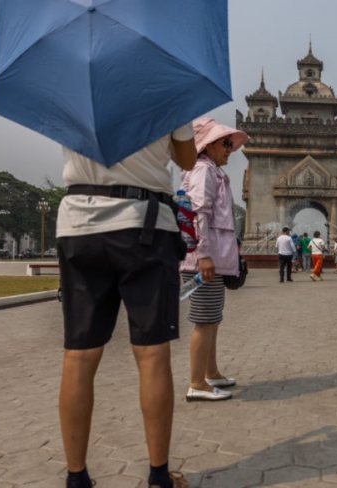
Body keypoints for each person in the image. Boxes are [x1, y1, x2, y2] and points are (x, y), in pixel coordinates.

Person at [56, 121, 196, 487]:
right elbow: (187, 159)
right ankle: (159, 476)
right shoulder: (167, 84)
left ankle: (76, 477)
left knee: (79, 353)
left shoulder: (72, 81)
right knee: (151, 353)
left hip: (79, 223)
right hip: (143, 223)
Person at [180, 117, 248, 403]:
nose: (231, 148)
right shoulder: (203, 170)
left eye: (231, 143)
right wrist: (204, 255)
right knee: (204, 322)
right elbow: (197, 213)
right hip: (203, 261)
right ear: (207, 144)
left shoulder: (212, 172)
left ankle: (211, 372)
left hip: (212, 260)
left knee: (212, 320)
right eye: (226, 142)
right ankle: (197, 383)